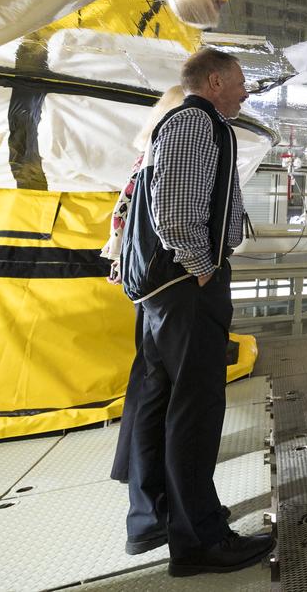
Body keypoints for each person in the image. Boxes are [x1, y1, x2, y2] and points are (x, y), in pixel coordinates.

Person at [119, 49, 273, 576]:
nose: (245, 92)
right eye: (239, 83)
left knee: (163, 404)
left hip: (168, 292)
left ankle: (160, 517)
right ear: (213, 81)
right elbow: (177, 207)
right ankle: (200, 540)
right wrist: (202, 266)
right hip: (187, 286)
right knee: (196, 410)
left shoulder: (184, 122)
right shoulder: (195, 122)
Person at [105, 85, 185, 484]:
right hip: (165, 284)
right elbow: (169, 220)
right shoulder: (163, 159)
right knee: (158, 383)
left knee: (150, 378)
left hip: (146, 283)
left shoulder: (145, 159)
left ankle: (135, 470)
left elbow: (121, 220)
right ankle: (148, 476)